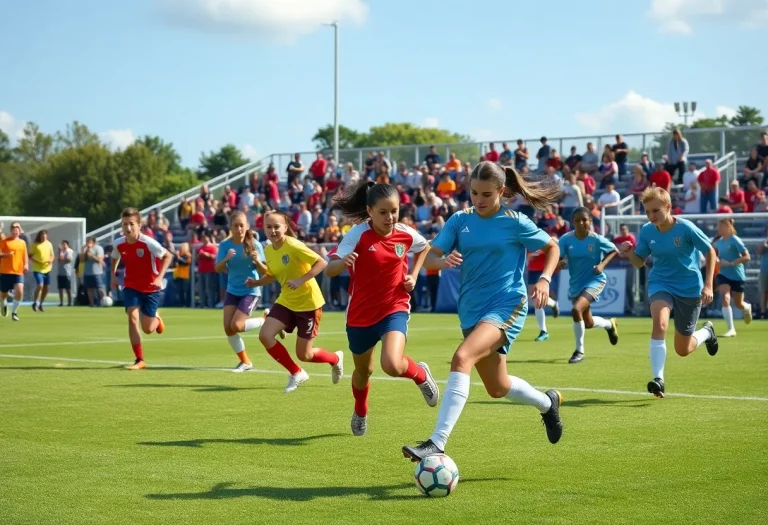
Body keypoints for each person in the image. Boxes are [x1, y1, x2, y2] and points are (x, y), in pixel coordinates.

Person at [401, 161, 564, 461]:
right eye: (474, 193)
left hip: (507, 304)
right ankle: (547, 403)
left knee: (462, 357)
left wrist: (544, 280)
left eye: (487, 194)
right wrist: (441, 261)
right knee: (497, 387)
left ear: (502, 191)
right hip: (471, 310)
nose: (479, 199)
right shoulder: (459, 220)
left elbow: (552, 247)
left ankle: (437, 442)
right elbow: (432, 257)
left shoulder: (515, 222)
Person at [325, 181, 440, 436]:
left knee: (391, 364)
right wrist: (343, 262)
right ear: (370, 211)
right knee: (363, 372)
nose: (390, 217)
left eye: (394, 211)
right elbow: (329, 269)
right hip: (361, 315)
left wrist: (414, 274)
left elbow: (424, 247)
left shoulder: (404, 233)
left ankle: (421, 375)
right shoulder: (357, 234)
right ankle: (360, 411)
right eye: (383, 212)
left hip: (394, 307)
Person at [618, 187, 719, 398]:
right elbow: (639, 262)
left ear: (668, 207)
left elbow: (709, 251)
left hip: (689, 287)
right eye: (647, 212)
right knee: (660, 323)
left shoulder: (686, 228)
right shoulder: (646, 230)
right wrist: (628, 253)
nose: (651, 216)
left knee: (683, 349)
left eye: (655, 211)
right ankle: (659, 380)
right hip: (660, 283)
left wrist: (708, 285)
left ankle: (707, 332)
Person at [248, 210, 342, 393]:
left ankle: (335, 359)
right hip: (286, 300)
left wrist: (301, 280)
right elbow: (273, 274)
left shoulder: (293, 245)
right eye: (269, 227)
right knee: (265, 335)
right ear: (264, 228)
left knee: (304, 354)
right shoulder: (268, 249)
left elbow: (322, 262)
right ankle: (296, 372)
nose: (273, 230)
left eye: (277, 227)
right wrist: (257, 282)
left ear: (285, 227)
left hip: (308, 303)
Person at [111, 208, 174, 370]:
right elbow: (114, 257)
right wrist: (112, 276)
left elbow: (168, 256)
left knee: (147, 329)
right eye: (125, 224)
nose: (128, 228)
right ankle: (139, 359)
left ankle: (156, 318)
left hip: (151, 288)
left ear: (139, 225)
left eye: (131, 224)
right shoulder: (119, 243)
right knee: (132, 318)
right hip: (131, 285)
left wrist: (159, 278)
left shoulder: (148, 243)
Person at [558, 208, 619, 363]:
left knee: (576, 309)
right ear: (572, 222)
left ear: (590, 222)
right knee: (588, 323)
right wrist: (562, 262)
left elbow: (613, 250)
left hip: (595, 280)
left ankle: (579, 351)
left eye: (585, 220)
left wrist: (602, 265)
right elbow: (559, 257)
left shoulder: (596, 239)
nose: (581, 223)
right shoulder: (566, 239)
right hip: (576, 283)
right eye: (577, 220)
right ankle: (609, 324)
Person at [214, 211, 273, 372]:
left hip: (251, 291)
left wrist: (256, 260)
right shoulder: (225, 246)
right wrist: (226, 259)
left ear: (247, 227)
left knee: (237, 325)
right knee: (228, 328)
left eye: (242, 225)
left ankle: (264, 320)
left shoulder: (255, 244)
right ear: (230, 228)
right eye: (236, 225)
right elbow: (218, 268)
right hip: (232, 290)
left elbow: (265, 271)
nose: (239, 228)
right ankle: (245, 362)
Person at [713, 218, 752, 336]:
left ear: (727, 226)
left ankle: (746, 307)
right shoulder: (718, 242)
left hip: (737, 274)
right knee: (725, 297)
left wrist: (731, 263)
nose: (718, 229)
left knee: (739, 303)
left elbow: (747, 257)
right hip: (723, 274)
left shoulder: (735, 240)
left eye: (720, 226)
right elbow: (714, 256)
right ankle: (731, 329)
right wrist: (717, 261)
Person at [526, 240, 560, 342]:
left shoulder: (545, 238)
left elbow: (555, 246)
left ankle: (543, 331)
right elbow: (525, 254)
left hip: (542, 269)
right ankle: (553, 303)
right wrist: (528, 257)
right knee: (533, 297)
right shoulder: (525, 238)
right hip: (532, 269)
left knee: (537, 299)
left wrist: (540, 252)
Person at [0, 221, 28, 321]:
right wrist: (8, 255)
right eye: (13, 231)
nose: (15, 232)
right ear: (11, 231)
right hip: (5, 271)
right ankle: (3, 303)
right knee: (3, 294)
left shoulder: (22, 242)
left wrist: (26, 264)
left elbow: (25, 255)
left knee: (20, 291)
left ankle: (14, 313)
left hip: (18, 271)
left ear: (19, 231)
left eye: (17, 230)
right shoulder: (4, 241)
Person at [29, 230, 54, 312]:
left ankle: (41, 304)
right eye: (42, 236)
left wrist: (51, 260)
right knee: (40, 285)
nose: (44, 238)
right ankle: (35, 302)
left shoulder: (49, 244)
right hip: (37, 269)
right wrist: (37, 261)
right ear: (39, 236)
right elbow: (29, 256)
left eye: (45, 236)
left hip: (47, 269)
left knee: (46, 288)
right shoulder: (35, 245)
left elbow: (52, 255)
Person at [57, 240, 74, 307]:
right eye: (62, 244)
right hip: (60, 272)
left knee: (68, 288)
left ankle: (69, 302)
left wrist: (62, 258)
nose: (63, 246)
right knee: (60, 288)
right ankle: (61, 302)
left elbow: (68, 259)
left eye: (64, 244)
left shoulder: (69, 251)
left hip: (67, 272)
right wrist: (60, 254)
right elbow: (58, 259)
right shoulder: (61, 252)